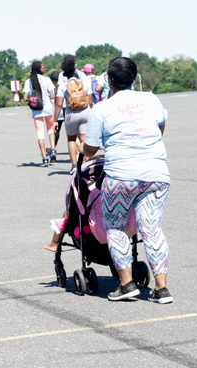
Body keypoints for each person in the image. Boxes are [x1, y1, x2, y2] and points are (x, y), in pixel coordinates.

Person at [82, 57, 172, 304]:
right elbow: (160, 129)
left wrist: (82, 147)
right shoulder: (151, 99)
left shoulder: (101, 108)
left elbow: (90, 150)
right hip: (156, 174)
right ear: (133, 78)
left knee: (116, 227)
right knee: (152, 229)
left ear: (109, 80)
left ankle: (126, 284)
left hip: (121, 176)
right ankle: (161, 289)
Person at [53, 54, 94, 174]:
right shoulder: (84, 83)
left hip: (71, 114)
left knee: (71, 139)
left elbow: (59, 104)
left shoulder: (62, 86)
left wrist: (55, 120)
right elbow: (90, 102)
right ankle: (86, 165)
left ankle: (74, 166)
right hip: (85, 112)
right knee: (84, 140)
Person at [22, 61, 57, 167]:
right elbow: (52, 95)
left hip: (37, 110)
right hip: (47, 109)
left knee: (40, 134)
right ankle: (53, 150)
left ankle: (44, 159)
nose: (45, 69)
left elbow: (24, 98)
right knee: (50, 130)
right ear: (38, 69)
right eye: (43, 67)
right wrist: (52, 106)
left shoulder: (29, 81)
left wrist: (31, 100)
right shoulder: (47, 80)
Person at [49, 71, 65, 152]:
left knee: (55, 131)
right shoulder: (64, 85)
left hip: (57, 112)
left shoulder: (52, 88)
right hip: (66, 110)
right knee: (73, 134)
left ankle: (53, 149)